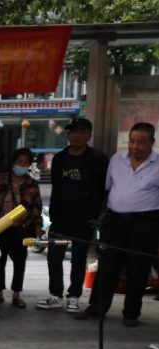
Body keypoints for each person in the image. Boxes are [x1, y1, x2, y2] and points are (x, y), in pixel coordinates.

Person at [76, 123, 159, 326]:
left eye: (141, 142)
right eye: (131, 141)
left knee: (138, 268)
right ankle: (96, 308)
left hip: (145, 223)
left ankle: (131, 313)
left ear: (152, 142)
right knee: (107, 266)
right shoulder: (116, 160)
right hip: (115, 221)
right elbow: (109, 188)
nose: (135, 146)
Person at [36, 118, 109, 313]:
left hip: (84, 219)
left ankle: (74, 296)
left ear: (89, 136)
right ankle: (55, 295)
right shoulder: (60, 158)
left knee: (78, 257)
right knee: (54, 255)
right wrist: (53, 216)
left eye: (81, 132)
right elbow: (56, 186)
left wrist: (95, 213)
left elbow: (104, 188)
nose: (76, 135)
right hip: (61, 218)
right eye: (73, 131)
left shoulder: (98, 159)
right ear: (68, 134)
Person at [0, 148, 43, 309]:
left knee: (20, 261)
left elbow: (37, 206)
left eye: (26, 163)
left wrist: (37, 227)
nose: (22, 165)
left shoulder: (32, 183)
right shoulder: (0, 180)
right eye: (19, 162)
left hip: (20, 229)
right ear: (13, 162)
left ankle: (17, 294)